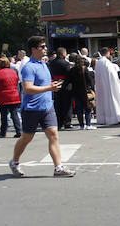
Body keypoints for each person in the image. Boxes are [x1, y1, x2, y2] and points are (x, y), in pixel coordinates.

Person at [8, 36, 75, 177]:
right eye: (42, 47)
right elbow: (27, 89)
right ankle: (14, 161)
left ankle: (58, 168)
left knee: (54, 135)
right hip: (32, 108)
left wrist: (53, 86)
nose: (45, 49)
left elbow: (45, 85)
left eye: (45, 46)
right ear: (33, 49)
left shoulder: (44, 64)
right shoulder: (29, 67)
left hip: (47, 107)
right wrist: (48, 88)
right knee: (27, 137)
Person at [93, 47, 120, 126]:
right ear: (107, 53)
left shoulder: (98, 62)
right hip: (109, 86)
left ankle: (102, 119)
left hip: (101, 86)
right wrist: (117, 84)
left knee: (102, 103)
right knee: (112, 102)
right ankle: (113, 118)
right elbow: (113, 76)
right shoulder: (107, 63)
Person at [0, 56, 22, 137]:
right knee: (14, 114)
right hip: (14, 94)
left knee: (4, 115)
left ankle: (3, 132)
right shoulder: (13, 72)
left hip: (3, 96)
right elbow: (16, 82)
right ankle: (18, 130)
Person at [64, 54, 96, 130]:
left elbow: (68, 81)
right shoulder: (84, 69)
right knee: (88, 108)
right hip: (85, 91)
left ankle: (81, 125)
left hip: (75, 91)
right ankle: (88, 124)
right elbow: (90, 80)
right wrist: (92, 89)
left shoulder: (72, 70)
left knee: (79, 109)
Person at [48, 47, 73, 129]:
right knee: (67, 105)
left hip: (56, 84)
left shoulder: (51, 63)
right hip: (65, 85)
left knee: (58, 105)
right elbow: (68, 75)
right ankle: (67, 122)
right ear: (63, 53)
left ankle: (59, 123)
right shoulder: (65, 63)